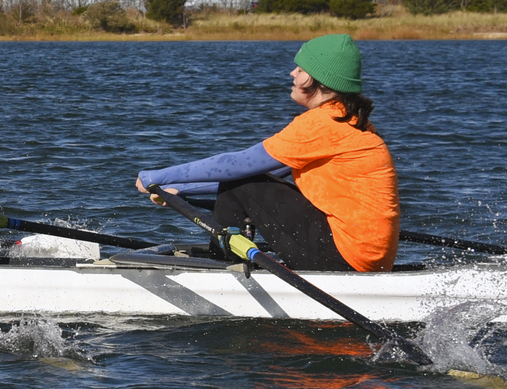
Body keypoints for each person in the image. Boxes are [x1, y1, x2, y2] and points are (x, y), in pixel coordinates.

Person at [134, 34, 399, 272]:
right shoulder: (350, 120)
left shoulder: (321, 124)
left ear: (312, 78)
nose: (292, 73)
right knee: (245, 181)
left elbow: (239, 165)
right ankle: (232, 253)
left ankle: (223, 265)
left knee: (243, 179)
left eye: (299, 68)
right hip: (370, 257)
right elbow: (263, 174)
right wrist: (179, 191)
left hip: (345, 257)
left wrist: (154, 178)